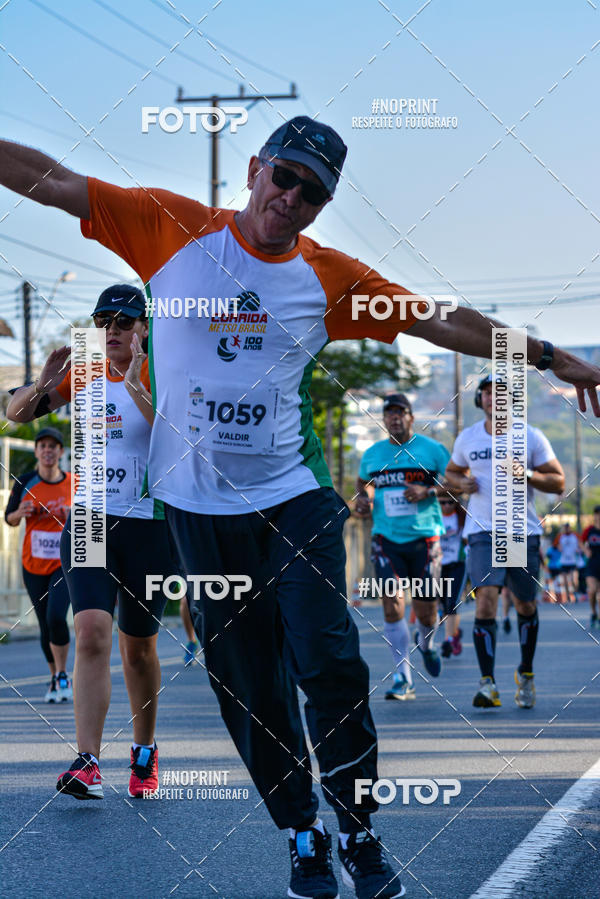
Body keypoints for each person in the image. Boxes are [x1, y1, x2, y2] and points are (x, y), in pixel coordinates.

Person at [1, 119, 599, 899]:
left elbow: (440, 318)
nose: (292, 197)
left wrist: (551, 357)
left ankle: (359, 828)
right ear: (255, 168)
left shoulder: (329, 277)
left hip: (293, 495)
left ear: (323, 205)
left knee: (331, 660)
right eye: (284, 176)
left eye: (312, 192)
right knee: (249, 685)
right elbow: (53, 181)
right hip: (198, 514)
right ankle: (302, 831)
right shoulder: (169, 226)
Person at [7, 285, 173, 802]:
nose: (112, 330)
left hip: (149, 524)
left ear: (144, 327)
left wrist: (134, 382)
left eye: (124, 321)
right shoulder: (84, 373)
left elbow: (175, 436)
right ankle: (88, 761)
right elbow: (16, 414)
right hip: (89, 520)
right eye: (103, 321)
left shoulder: (163, 370)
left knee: (138, 648)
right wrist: (41, 384)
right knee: (92, 632)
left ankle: (144, 750)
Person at [446, 375, 565, 710]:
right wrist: (461, 484)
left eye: (499, 393)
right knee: (485, 600)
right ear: (480, 400)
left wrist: (525, 473)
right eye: (486, 393)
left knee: (525, 605)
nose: (492, 398)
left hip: (520, 532)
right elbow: (451, 474)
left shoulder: (530, 436)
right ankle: (488, 684)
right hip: (482, 531)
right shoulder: (468, 438)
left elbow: (558, 481)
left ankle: (525, 673)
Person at [356, 393, 450, 701]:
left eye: (400, 413)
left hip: (425, 538)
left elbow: (456, 483)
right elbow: (363, 483)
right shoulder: (373, 454)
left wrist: (427, 491)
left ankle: (427, 644)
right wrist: (364, 499)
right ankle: (402, 677)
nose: (394, 418)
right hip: (386, 539)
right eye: (389, 414)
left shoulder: (432, 450)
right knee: (392, 605)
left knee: (426, 611)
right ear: (384, 419)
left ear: (411, 417)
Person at [4, 427, 72, 702]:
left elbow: (92, 519)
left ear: (60, 452)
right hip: (33, 565)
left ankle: (63, 673)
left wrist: (72, 514)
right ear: (36, 451)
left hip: (64, 564)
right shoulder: (25, 482)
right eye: (43, 446)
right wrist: (20, 512)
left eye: (53, 446)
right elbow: (9, 518)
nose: (48, 451)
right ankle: (54, 675)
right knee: (45, 624)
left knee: (56, 617)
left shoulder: (75, 482)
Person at [437, 493, 466, 659]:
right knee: (441, 603)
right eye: (442, 502)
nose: (446, 505)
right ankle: (454, 632)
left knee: (452, 603)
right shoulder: (432, 516)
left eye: (450, 502)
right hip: (438, 566)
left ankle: (448, 641)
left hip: (457, 565)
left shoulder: (462, 518)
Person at [581, 506, 600, 628]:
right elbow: (580, 542)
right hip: (592, 565)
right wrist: (585, 550)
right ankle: (594, 613)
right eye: (597, 514)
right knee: (592, 591)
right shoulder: (589, 530)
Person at [557, 522, 580, 604]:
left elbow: (579, 545)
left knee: (573, 579)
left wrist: (578, 550)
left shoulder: (574, 536)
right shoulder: (561, 537)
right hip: (564, 562)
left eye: (568, 528)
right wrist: (560, 548)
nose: (567, 529)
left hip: (572, 561)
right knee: (565, 581)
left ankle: (575, 593)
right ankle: (568, 597)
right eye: (565, 528)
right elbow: (558, 547)